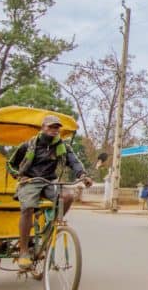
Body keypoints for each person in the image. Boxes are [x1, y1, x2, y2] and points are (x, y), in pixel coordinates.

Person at [8, 115, 92, 270]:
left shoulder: (63, 147)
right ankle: (24, 251)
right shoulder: (28, 145)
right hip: (31, 181)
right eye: (51, 127)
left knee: (68, 196)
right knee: (28, 207)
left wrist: (82, 175)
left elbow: (74, 162)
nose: (54, 131)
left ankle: (52, 227)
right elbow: (11, 164)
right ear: (43, 128)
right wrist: (19, 175)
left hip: (50, 182)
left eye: (56, 128)